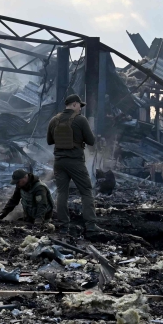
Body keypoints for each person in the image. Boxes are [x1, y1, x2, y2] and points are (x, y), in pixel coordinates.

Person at [47, 94, 100, 234]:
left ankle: (64, 225)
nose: (80, 109)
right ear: (74, 104)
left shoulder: (54, 120)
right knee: (86, 191)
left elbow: (49, 141)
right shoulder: (80, 119)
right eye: (80, 106)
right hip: (75, 161)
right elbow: (91, 141)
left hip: (59, 162)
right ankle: (91, 225)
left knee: (62, 192)